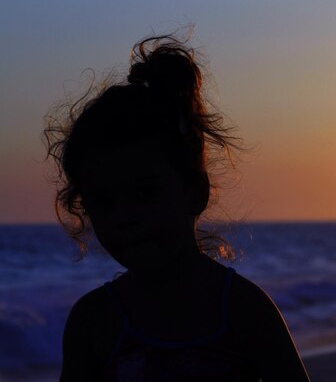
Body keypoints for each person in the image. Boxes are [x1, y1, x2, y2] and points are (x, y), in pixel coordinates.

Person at [45, 35, 311, 382]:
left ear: (194, 191)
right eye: (105, 201)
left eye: (145, 192)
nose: (125, 216)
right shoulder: (95, 323)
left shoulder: (242, 310)